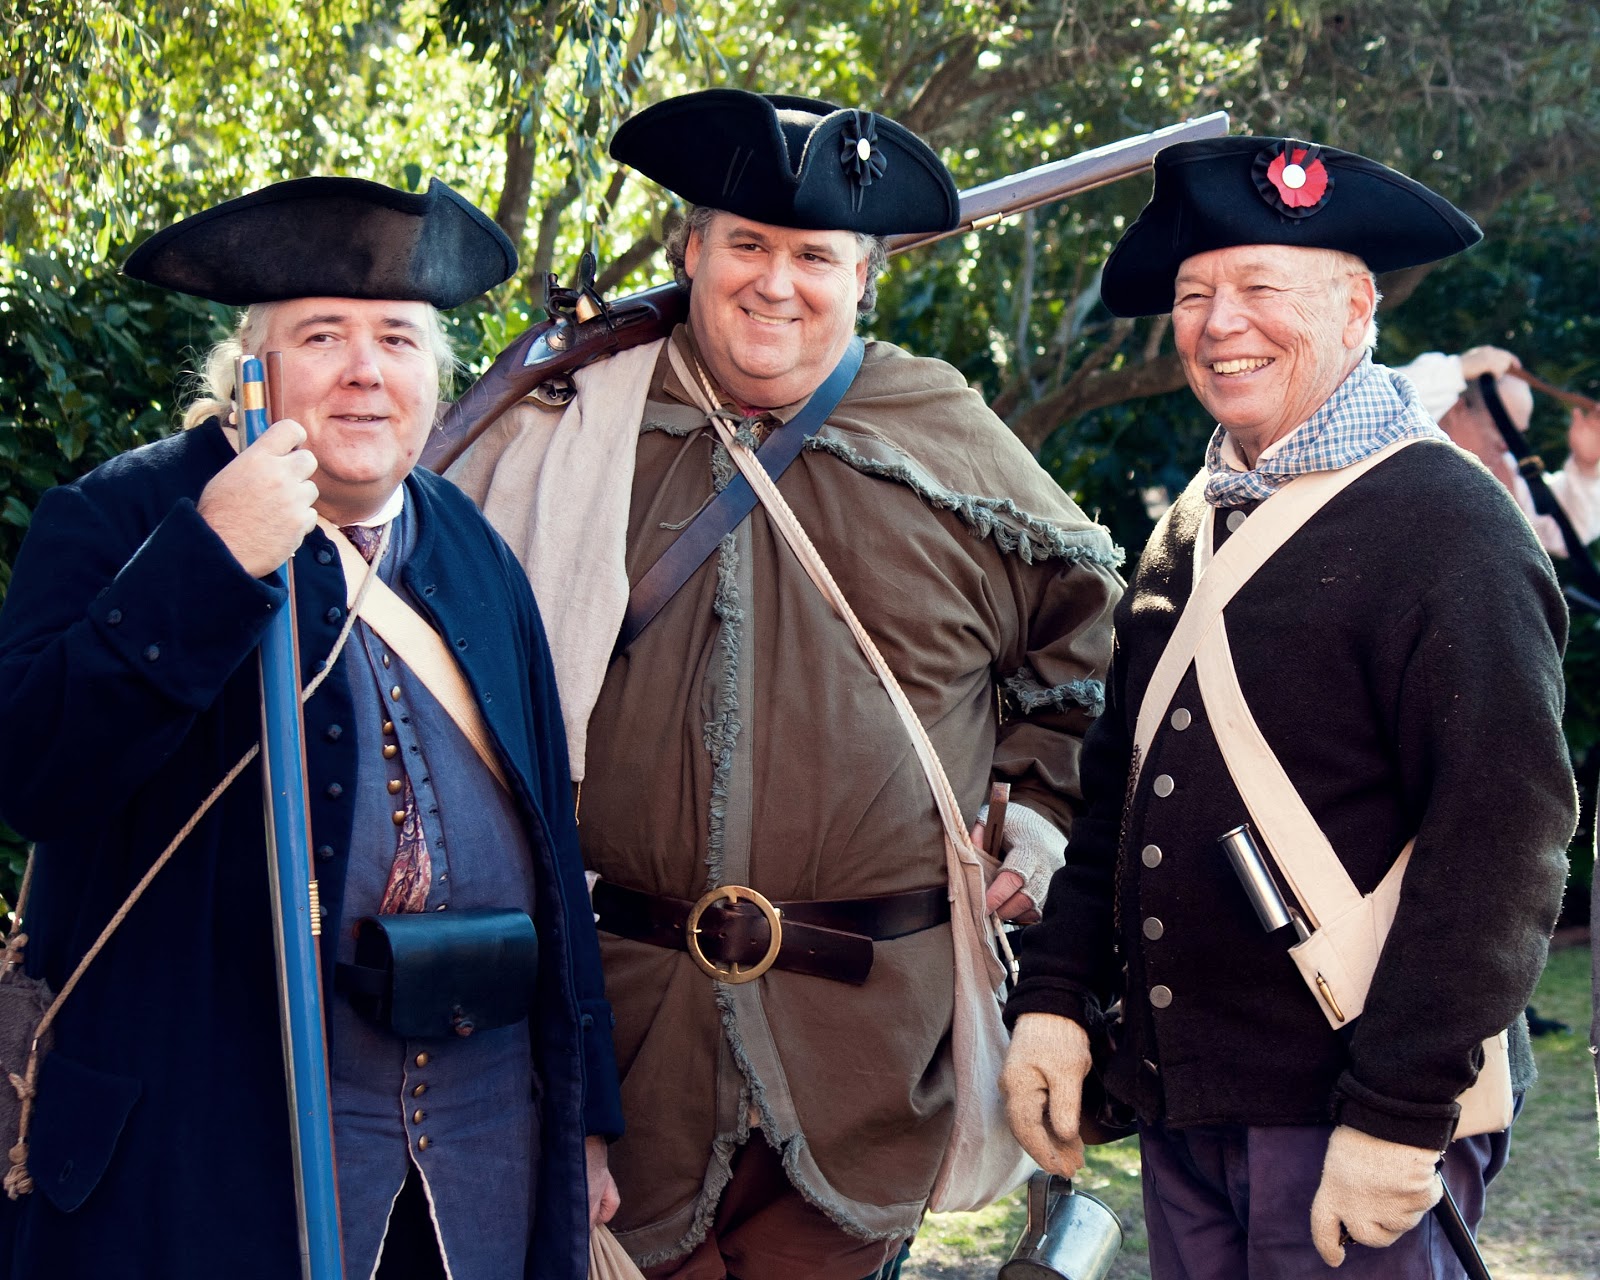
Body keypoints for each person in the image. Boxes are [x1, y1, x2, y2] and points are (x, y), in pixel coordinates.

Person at [447, 88, 1122, 1280]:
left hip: (869, 1049)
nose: (776, 282)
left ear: (863, 278)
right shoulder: (564, 426)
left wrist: (1037, 808)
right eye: (747, 245)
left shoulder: (941, 428)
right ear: (690, 252)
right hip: (622, 1042)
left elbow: (1084, 651)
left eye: (813, 256)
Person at [0, 177, 622, 1279]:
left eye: (398, 338)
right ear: (252, 366)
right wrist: (209, 561)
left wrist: (587, 1117)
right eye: (323, 335)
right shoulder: (116, 517)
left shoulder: (475, 550)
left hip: (477, 1154)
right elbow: (32, 772)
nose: (365, 370)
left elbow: (551, 851)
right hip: (202, 1154)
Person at [1000, 136, 1575, 1278]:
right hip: (1188, 1100)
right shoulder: (1191, 525)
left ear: (1357, 307)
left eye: (1261, 286)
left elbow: (1502, 841)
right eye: (1193, 294)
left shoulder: (1451, 526)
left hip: (1354, 1115)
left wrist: (1399, 1110)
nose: (1222, 323)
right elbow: (1117, 792)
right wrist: (1057, 996)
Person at [1400, 346, 1600, 556]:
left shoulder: (1506, 471)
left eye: (1516, 434)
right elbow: (1383, 400)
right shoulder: (1404, 446)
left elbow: (1562, 534)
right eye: (1501, 428)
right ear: (1458, 408)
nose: (1507, 446)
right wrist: (1457, 369)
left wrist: (1586, 466)